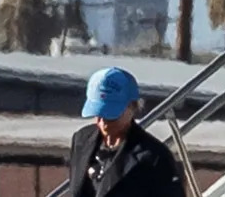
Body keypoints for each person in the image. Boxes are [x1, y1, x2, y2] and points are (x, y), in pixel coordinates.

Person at [67, 67, 185, 197]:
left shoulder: (154, 157)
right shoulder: (82, 140)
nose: (103, 121)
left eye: (111, 115)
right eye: (98, 113)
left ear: (133, 107)